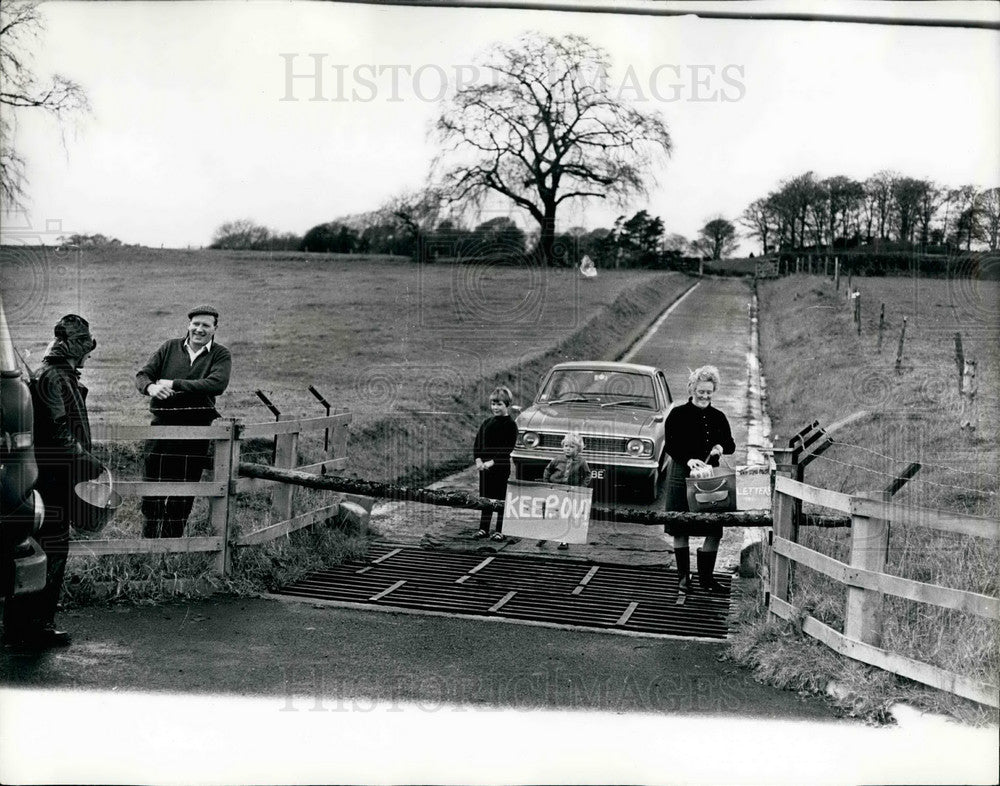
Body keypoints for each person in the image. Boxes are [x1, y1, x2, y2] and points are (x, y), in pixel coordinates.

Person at [3, 315, 102, 649]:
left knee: (47, 548)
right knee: (52, 548)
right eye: (86, 344)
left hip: (52, 475)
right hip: (52, 479)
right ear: (72, 345)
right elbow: (59, 431)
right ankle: (33, 627)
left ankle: (27, 625)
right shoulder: (54, 376)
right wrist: (88, 463)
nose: (89, 352)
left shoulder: (57, 374)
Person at [136, 306, 231, 538]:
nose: (199, 329)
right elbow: (142, 375)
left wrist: (173, 384)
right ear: (188, 325)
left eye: (205, 325)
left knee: (182, 493)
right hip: (161, 428)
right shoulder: (169, 347)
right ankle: (148, 546)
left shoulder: (220, 354)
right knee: (152, 490)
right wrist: (152, 387)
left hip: (196, 433)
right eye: (195, 324)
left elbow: (216, 384)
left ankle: (171, 548)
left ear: (214, 329)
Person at [663, 365, 736, 598]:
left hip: (710, 478)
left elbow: (730, 444)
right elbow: (671, 446)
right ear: (692, 389)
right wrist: (689, 459)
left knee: (714, 529)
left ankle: (706, 578)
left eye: (709, 392)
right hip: (681, 475)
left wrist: (720, 446)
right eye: (701, 391)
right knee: (680, 527)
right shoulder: (677, 414)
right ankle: (683, 579)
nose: (704, 396)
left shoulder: (718, 417)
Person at [473, 386, 518, 542]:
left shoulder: (511, 425)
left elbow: (507, 448)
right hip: (484, 469)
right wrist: (478, 460)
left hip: (500, 467)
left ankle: (500, 530)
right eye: (493, 404)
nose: (495, 408)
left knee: (500, 499)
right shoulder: (487, 422)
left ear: (507, 405)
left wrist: (492, 462)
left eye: (499, 404)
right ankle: (483, 528)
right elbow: (477, 443)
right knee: (485, 498)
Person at [541, 431, 592, 550]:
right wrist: (547, 483)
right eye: (566, 446)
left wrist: (582, 487)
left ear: (578, 449)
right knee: (551, 514)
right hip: (555, 490)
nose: (568, 449)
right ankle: (544, 536)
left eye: (572, 447)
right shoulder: (557, 459)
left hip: (570, 492)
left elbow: (587, 475)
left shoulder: (581, 461)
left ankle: (564, 541)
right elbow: (548, 470)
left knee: (566, 516)